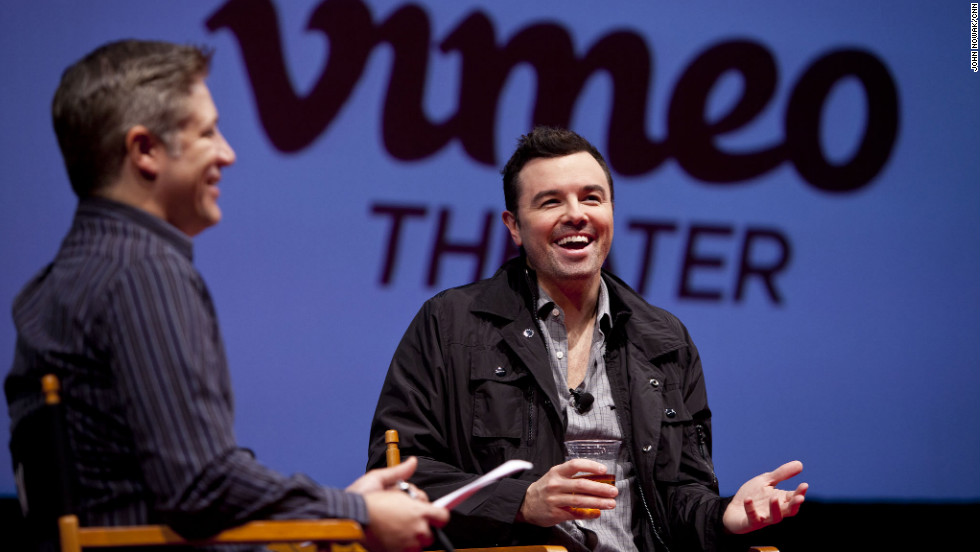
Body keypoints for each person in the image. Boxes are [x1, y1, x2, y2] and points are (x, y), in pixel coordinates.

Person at [4, 39, 447, 552]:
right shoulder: (144, 271)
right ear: (144, 150)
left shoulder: (57, 281)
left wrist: (335, 512)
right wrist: (359, 513)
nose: (228, 153)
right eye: (208, 132)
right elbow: (200, 487)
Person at [367, 127, 807, 551]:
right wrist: (521, 502)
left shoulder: (665, 340)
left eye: (591, 198)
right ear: (514, 226)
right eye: (550, 201)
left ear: (611, 212)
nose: (576, 213)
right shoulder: (450, 325)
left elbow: (679, 499)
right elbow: (400, 478)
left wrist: (727, 516)